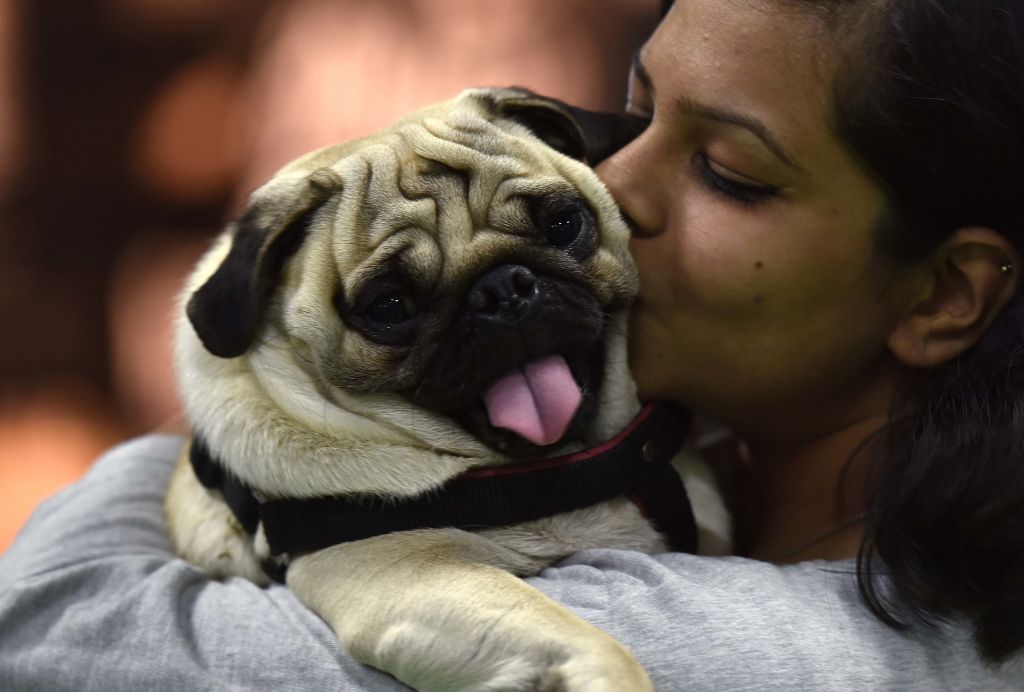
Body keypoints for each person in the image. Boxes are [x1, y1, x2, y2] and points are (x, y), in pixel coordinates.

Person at [2, 0, 1023, 689]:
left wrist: (256, 415)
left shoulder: (689, 650)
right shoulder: (721, 476)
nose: (611, 183)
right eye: (633, 113)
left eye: (728, 173)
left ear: (944, 294)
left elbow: (49, 624)